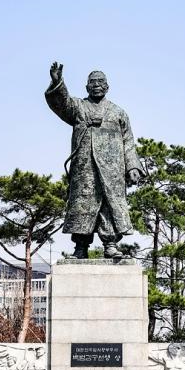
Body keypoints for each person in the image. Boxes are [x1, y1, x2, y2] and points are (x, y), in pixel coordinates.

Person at [45, 62, 144, 259]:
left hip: (112, 169)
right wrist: (58, 82)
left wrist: (133, 166)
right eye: (92, 82)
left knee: (110, 205)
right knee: (83, 205)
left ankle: (110, 245)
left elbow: (128, 141)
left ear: (107, 86)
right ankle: (80, 247)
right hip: (85, 167)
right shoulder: (78, 107)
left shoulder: (118, 113)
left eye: (100, 82)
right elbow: (61, 104)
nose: (96, 85)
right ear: (86, 87)